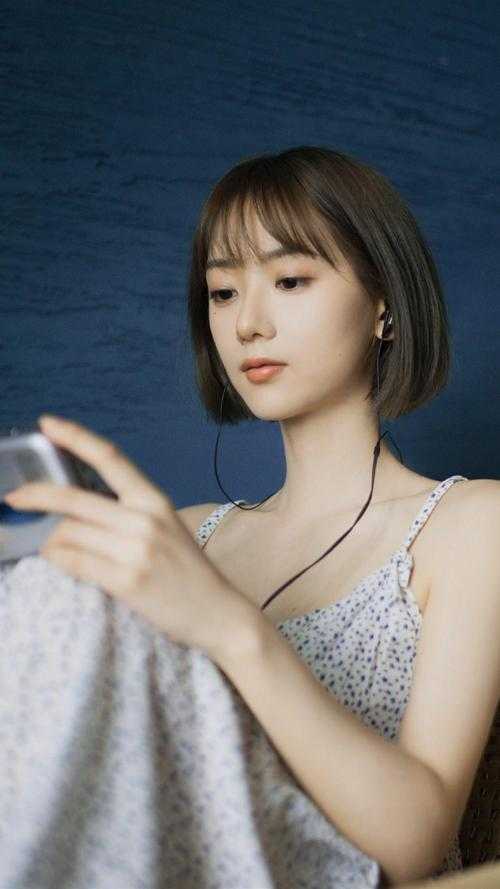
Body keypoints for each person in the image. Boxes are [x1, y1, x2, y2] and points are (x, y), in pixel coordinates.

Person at [2, 145, 499, 888]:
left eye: (290, 280)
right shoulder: (184, 535)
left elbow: (413, 845)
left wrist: (226, 625)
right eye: (223, 292)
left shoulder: (470, 524)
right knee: (47, 585)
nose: (248, 325)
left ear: (384, 307)